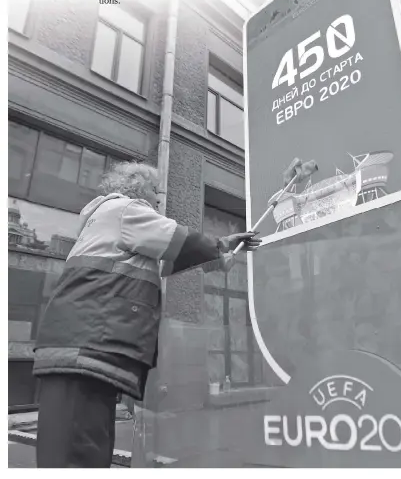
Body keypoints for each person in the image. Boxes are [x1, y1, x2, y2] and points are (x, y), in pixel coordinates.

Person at [33, 162, 261, 467]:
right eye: (155, 191)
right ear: (137, 187)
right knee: (79, 452)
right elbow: (177, 240)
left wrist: (220, 248)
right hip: (88, 346)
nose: (158, 199)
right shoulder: (126, 209)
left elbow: (168, 259)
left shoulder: (105, 222)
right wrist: (218, 253)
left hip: (79, 346)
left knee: (74, 447)